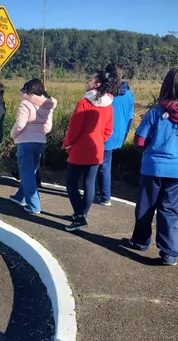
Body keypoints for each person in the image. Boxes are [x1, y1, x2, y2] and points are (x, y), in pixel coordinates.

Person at [129, 68, 178, 266]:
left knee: (145, 208)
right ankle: (169, 253)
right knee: (169, 212)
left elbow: (139, 140)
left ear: (166, 85)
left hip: (152, 168)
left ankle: (140, 242)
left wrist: (150, 144)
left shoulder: (156, 112)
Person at [63, 70, 118, 231]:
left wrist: (67, 143)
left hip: (79, 149)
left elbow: (74, 127)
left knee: (71, 183)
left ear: (97, 84)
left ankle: (79, 217)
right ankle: (82, 214)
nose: (87, 81)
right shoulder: (109, 105)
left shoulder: (84, 102)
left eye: (90, 79)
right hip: (96, 149)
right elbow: (108, 130)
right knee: (89, 183)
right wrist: (99, 140)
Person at [9, 79, 58, 214]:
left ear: (28, 90)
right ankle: (20, 197)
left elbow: (20, 125)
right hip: (40, 141)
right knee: (31, 171)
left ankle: (34, 206)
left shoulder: (25, 103)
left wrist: (13, 134)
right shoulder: (48, 105)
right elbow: (48, 127)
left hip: (25, 141)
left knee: (26, 174)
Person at [96, 64, 134, 206]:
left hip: (105, 133)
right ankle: (101, 192)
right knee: (105, 163)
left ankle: (104, 196)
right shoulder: (128, 94)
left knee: (102, 165)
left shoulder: (106, 93)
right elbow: (130, 117)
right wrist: (125, 135)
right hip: (119, 133)